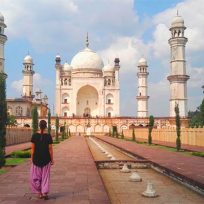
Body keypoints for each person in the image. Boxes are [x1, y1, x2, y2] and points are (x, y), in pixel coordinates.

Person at [30, 120, 54, 200]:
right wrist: (52, 159)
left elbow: (32, 149)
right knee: (45, 177)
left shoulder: (34, 135)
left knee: (36, 177)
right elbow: (50, 149)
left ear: (39, 126)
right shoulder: (48, 136)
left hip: (36, 160)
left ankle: (39, 193)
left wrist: (32, 159)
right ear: (46, 126)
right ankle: (44, 193)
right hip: (46, 159)